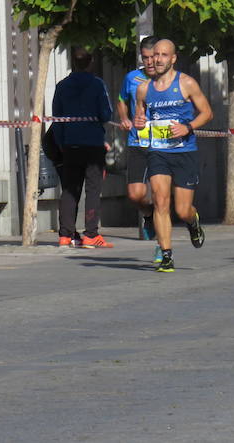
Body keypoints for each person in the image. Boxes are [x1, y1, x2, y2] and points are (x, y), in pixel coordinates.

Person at [134, 39, 212, 273]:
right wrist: (139, 122)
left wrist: (188, 127)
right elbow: (140, 119)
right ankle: (166, 254)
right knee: (160, 201)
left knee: (182, 209)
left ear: (173, 58)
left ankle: (193, 221)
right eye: (155, 54)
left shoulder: (186, 83)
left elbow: (207, 112)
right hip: (158, 151)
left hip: (184, 151)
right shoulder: (143, 89)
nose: (157, 59)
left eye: (163, 55)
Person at [52, 47, 114, 248]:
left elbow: (57, 118)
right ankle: (91, 234)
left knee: (69, 189)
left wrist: (62, 143)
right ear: (91, 62)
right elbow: (106, 114)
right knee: (93, 189)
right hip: (93, 144)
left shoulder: (62, 86)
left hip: (70, 144)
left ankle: (65, 234)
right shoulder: (97, 85)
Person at [117, 35, 160, 262]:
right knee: (135, 194)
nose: (150, 62)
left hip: (164, 145)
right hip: (138, 142)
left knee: (162, 196)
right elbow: (121, 99)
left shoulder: (169, 80)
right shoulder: (132, 78)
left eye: (153, 57)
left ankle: (164, 249)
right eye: (145, 58)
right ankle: (149, 215)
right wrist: (124, 118)